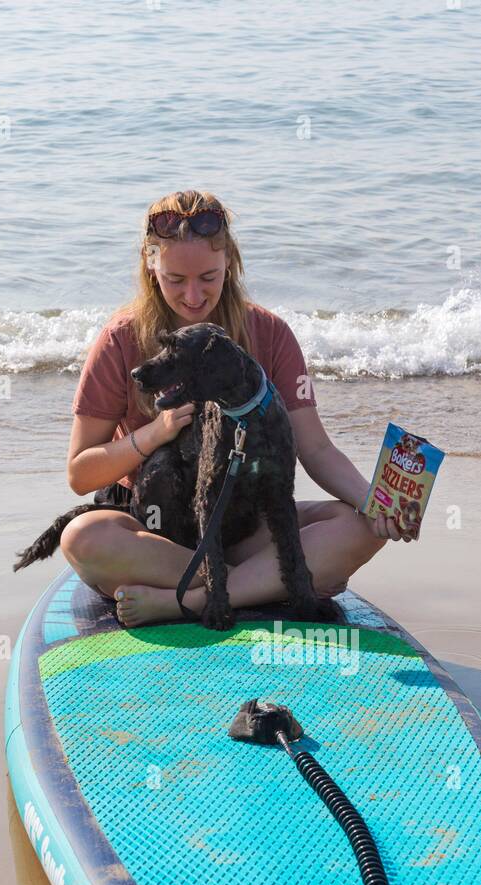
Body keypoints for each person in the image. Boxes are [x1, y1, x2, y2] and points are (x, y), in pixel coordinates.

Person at [62, 189, 413, 628]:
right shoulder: (120, 339)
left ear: (230, 260)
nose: (193, 296)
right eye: (175, 279)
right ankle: (261, 585)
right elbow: (81, 473)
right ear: (151, 265)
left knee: (356, 525)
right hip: (161, 537)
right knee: (83, 537)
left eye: (208, 276)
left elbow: (316, 450)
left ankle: (186, 601)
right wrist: (153, 434)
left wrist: (375, 502)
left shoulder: (270, 333)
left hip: (247, 529)